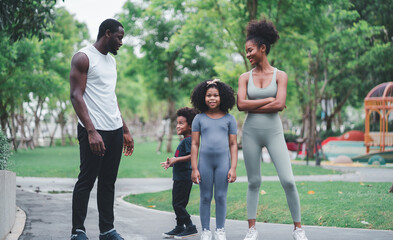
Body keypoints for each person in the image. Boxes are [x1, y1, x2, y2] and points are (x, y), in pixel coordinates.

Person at [237, 19, 308, 240]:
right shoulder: (244, 77)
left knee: (288, 180)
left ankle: (298, 228)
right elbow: (240, 105)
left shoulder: (280, 75)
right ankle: (251, 229)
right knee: (254, 181)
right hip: (250, 133)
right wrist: (269, 98)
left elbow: (279, 105)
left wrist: (258, 103)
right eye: (246, 51)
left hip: (274, 132)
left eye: (250, 50)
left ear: (262, 48)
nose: (247, 55)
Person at [69, 19, 134, 240]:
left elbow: (110, 97)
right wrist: (91, 131)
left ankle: (107, 230)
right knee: (87, 179)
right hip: (93, 130)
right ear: (107, 33)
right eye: (119, 37)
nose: (121, 42)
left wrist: (124, 129)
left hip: (114, 129)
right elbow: (76, 96)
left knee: (108, 182)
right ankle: (77, 231)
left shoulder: (111, 63)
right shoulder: (83, 57)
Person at [190, 79, 238, 240]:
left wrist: (233, 167)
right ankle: (205, 230)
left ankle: (220, 230)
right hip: (205, 164)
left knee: (220, 197)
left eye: (216, 95)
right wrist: (194, 168)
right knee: (205, 196)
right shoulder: (199, 119)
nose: (212, 98)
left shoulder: (230, 119)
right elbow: (195, 144)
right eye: (208, 95)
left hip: (223, 164)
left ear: (222, 97)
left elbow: (233, 144)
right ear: (202, 98)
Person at [160, 107, 199, 239]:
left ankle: (190, 226)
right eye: (177, 123)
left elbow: (193, 155)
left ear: (190, 126)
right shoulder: (185, 140)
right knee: (178, 203)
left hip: (184, 177)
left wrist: (176, 159)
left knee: (178, 204)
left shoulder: (188, 140)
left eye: (181, 123)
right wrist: (171, 162)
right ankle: (179, 227)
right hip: (180, 176)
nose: (178, 126)